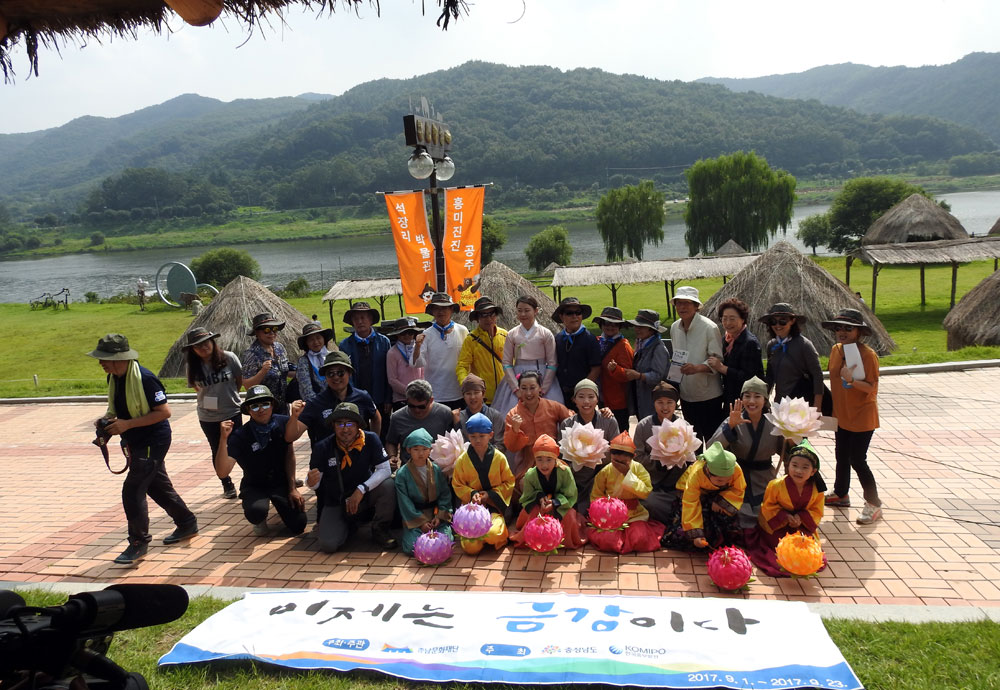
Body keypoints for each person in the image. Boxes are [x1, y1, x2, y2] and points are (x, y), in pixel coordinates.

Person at [87, 334, 197, 565]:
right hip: (135, 440)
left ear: (119, 358)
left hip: (153, 440)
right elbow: (121, 410)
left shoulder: (146, 379)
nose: (100, 363)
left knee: (133, 489)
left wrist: (127, 424)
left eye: (104, 358)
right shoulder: (115, 378)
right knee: (156, 486)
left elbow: (164, 412)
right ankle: (186, 522)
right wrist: (107, 422)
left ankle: (138, 542)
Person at [215, 385, 307, 537]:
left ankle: (282, 508)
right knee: (256, 512)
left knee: (299, 525)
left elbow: (290, 454)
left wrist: (292, 488)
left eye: (265, 404)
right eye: (255, 406)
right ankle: (259, 518)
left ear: (272, 405)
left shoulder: (284, 423)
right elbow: (222, 471)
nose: (261, 409)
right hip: (255, 484)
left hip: (280, 481)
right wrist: (223, 439)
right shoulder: (240, 435)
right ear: (249, 410)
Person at [307, 402, 397, 551]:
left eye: (350, 423)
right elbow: (315, 483)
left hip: (365, 495)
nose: (345, 429)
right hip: (337, 500)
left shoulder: (371, 439)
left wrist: (361, 489)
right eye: (340, 424)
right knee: (328, 545)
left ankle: (380, 528)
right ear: (333, 426)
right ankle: (348, 525)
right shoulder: (322, 447)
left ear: (358, 425)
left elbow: (385, 469)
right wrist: (310, 482)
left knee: (388, 485)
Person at [822, 308, 883, 525]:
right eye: (839, 327)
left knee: (858, 459)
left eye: (848, 328)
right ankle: (840, 493)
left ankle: (873, 503)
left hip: (863, 416)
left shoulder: (868, 355)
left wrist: (851, 380)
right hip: (843, 415)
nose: (842, 332)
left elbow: (872, 388)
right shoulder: (836, 350)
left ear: (859, 332)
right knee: (841, 455)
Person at [707, 376, 788, 531]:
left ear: (765, 400)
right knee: (735, 515)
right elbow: (711, 448)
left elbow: (787, 455)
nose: (752, 401)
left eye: (757, 396)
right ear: (741, 398)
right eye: (747, 396)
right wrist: (730, 426)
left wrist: (791, 438)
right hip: (736, 477)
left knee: (768, 515)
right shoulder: (733, 419)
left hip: (765, 478)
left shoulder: (775, 423)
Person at [747, 439, 827, 577]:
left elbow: (817, 510)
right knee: (778, 547)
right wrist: (785, 516)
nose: (798, 471)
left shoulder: (817, 489)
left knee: (806, 549)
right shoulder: (776, 485)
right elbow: (767, 507)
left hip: (802, 525)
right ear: (787, 465)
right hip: (778, 524)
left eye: (805, 467)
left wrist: (800, 518)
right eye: (794, 465)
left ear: (813, 471)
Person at [184, 326, 242, 499]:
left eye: (206, 342)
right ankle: (227, 484)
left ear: (212, 341)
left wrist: (228, 397)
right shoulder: (192, 366)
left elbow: (239, 381)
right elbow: (196, 388)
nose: (203, 347)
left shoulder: (229, 358)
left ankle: (250, 480)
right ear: (193, 350)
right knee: (217, 449)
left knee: (239, 446)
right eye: (198, 346)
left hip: (232, 411)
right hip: (208, 417)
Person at [587, 432, 665, 553]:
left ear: (632, 457)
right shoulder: (605, 471)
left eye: (623, 462)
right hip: (610, 516)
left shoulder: (638, 468)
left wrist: (628, 474)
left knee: (640, 538)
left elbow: (646, 492)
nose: (618, 465)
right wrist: (603, 511)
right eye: (615, 461)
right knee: (607, 540)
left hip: (634, 514)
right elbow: (596, 495)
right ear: (610, 456)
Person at [451, 413, 515, 555]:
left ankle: (496, 534)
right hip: (471, 512)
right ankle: (478, 539)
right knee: (470, 548)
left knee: (493, 534)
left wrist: (489, 495)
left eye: (482, 436)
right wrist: (473, 494)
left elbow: (509, 482)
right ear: (468, 436)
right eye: (473, 436)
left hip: (493, 507)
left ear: (491, 435)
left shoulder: (499, 457)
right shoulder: (463, 459)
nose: (477, 440)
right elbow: (458, 484)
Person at [286, 350, 380, 446]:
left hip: (360, 456)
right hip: (326, 458)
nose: (336, 377)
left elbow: (376, 418)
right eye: (330, 374)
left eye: (340, 373)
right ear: (325, 377)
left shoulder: (363, 397)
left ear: (349, 373)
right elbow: (290, 437)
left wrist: (372, 444)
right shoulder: (315, 403)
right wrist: (294, 417)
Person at [510, 434, 587, 549]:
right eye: (539, 459)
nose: (544, 465)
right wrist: (540, 498)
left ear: (556, 458)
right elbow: (527, 497)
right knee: (534, 514)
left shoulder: (565, 471)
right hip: (539, 505)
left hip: (561, 505)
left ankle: (564, 541)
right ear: (534, 459)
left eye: (549, 459)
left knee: (569, 516)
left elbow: (571, 494)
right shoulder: (531, 474)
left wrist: (555, 502)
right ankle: (535, 539)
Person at [669, 286, 725, 443]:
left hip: (709, 396)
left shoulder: (709, 327)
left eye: (687, 303)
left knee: (712, 440)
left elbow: (717, 359)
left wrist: (698, 368)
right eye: (679, 303)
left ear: (696, 306)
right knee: (692, 442)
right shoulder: (675, 328)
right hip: (686, 395)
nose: (682, 307)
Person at [557, 379, 619, 515]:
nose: (586, 401)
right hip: (574, 477)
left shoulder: (608, 421)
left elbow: (617, 453)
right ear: (574, 400)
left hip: (600, 476)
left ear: (597, 399)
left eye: (591, 397)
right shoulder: (567, 424)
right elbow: (561, 458)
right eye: (581, 396)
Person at [632, 382, 690, 526]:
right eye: (660, 402)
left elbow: (693, 462)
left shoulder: (685, 426)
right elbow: (637, 457)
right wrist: (658, 462)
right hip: (652, 487)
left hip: (677, 488)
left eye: (669, 402)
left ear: (675, 404)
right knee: (647, 502)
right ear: (654, 403)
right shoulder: (643, 426)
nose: (665, 407)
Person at [493, 295, 562, 416]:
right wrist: (516, 388)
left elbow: (552, 363)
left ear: (535, 311)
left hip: (541, 375)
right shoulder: (512, 334)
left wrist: (543, 388)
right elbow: (507, 363)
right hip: (518, 376)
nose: (523, 314)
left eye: (527, 310)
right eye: (519, 311)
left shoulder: (545, 333)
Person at [394, 428, 454, 556]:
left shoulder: (437, 469)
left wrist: (439, 517)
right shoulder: (402, 474)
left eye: (424, 449)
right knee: (413, 546)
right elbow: (405, 502)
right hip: (415, 517)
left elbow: (445, 495)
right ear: (408, 450)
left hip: (435, 514)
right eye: (415, 449)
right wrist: (421, 523)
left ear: (430, 450)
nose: (420, 453)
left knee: (446, 541)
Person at [674, 442, 746, 550]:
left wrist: (722, 500)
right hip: (690, 495)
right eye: (720, 480)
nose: (724, 483)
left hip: (718, 494)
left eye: (728, 480)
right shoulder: (697, 473)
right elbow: (691, 502)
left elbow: (739, 489)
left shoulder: (735, 468)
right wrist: (696, 533)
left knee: (725, 516)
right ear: (708, 471)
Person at [503, 370, 573, 477]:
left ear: (540, 388)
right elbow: (511, 447)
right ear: (519, 389)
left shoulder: (553, 406)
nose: (528, 393)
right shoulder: (513, 414)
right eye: (524, 388)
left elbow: (572, 419)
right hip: (528, 464)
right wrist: (514, 430)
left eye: (532, 388)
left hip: (554, 461)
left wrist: (596, 412)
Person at [760, 303, 825, 412]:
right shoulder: (771, 345)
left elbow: (817, 375)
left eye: (782, 321)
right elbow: (770, 375)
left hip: (801, 403)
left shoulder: (804, 345)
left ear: (792, 321)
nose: (777, 325)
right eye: (773, 321)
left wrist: (817, 406)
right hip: (780, 403)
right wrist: (764, 399)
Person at [338, 301, 392, 430]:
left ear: (371, 319)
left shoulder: (383, 341)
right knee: (359, 433)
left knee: (383, 432)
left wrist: (388, 398)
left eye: (363, 317)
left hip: (380, 397)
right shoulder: (345, 345)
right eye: (356, 318)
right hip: (356, 399)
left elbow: (389, 372)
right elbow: (344, 374)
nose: (360, 321)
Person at [413, 292, 468, 409]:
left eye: (444, 308)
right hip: (436, 393)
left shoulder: (462, 330)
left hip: (459, 390)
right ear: (432, 311)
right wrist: (417, 346)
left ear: (451, 309)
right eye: (437, 308)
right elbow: (417, 363)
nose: (440, 312)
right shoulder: (426, 334)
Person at [384, 379, 456, 468]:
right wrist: (392, 456)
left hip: (438, 469)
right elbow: (391, 442)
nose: (416, 410)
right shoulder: (397, 417)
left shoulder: (445, 413)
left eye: (421, 406)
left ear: (431, 400)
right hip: (409, 470)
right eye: (411, 406)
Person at [707, 298, 764, 405]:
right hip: (729, 396)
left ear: (743, 319)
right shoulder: (725, 339)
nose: (728, 323)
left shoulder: (750, 343)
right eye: (724, 318)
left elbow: (749, 377)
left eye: (732, 319)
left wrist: (722, 368)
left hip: (747, 400)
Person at [456, 296, 507, 406]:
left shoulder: (505, 335)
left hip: (506, 394)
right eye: (483, 315)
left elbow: (513, 362)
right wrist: (467, 385)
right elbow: (462, 366)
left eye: (491, 314)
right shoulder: (471, 339)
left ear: (496, 315)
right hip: (483, 398)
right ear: (477, 318)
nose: (488, 318)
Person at [621, 309, 669, 422]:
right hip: (641, 400)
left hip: (653, 403)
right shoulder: (640, 344)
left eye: (641, 327)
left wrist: (639, 375)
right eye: (636, 326)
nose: (636, 329)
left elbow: (658, 376)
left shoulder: (658, 349)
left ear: (651, 330)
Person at [552, 297, 602, 407]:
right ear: (561, 316)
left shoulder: (590, 339)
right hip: (560, 393)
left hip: (582, 397)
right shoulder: (558, 339)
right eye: (569, 313)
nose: (574, 316)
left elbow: (596, 369)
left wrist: (581, 392)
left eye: (578, 313)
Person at [242, 313, 295, 414]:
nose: (272, 333)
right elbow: (247, 386)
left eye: (274, 329)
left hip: (283, 406)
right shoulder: (251, 354)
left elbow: (284, 371)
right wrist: (263, 371)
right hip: (263, 409)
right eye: (266, 330)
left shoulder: (280, 348)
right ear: (257, 333)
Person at [593, 306, 634, 433]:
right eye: (606, 323)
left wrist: (615, 369)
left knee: (619, 433)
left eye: (614, 325)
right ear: (601, 324)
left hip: (618, 400)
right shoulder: (598, 341)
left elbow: (628, 375)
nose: (610, 327)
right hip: (602, 396)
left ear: (619, 327)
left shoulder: (623, 346)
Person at [455, 374, 506, 454]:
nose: (472, 397)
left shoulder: (495, 416)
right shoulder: (459, 417)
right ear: (463, 396)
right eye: (468, 393)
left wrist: (483, 456)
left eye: (476, 393)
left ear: (483, 393)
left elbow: (500, 445)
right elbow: (458, 445)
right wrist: (457, 424)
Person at [384, 317, 427, 408]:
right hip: (401, 399)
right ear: (397, 334)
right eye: (403, 333)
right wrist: (410, 392)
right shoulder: (392, 353)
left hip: (420, 397)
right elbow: (392, 379)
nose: (407, 335)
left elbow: (423, 372)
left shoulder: (419, 348)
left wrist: (421, 391)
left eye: (410, 333)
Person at [295, 321, 335, 403]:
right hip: (316, 406)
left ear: (324, 338)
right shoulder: (303, 362)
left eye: (318, 338)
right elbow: (306, 390)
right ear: (306, 343)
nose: (316, 342)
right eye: (311, 340)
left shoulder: (333, 356)